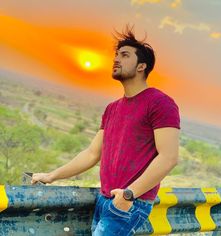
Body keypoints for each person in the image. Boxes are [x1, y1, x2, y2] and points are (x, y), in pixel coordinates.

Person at [32, 25, 180, 235]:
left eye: (125, 55)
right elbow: (92, 153)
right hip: (105, 200)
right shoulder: (112, 109)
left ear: (141, 66)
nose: (116, 59)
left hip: (129, 203)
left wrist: (129, 195)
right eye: (116, 55)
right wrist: (52, 175)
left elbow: (168, 158)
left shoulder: (160, 103)